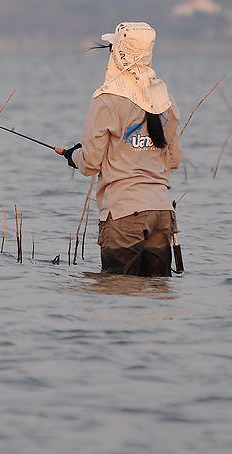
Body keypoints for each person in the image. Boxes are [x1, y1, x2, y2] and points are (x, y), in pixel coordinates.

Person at [56, 22, 182, 276]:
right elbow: (174, 160)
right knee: (157, 296)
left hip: (124, 214)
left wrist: (72, 155)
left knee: (117, 294)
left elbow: (90, 164)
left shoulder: (106, 100)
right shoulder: (165, 99)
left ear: (117, 54)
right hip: (161, 212)